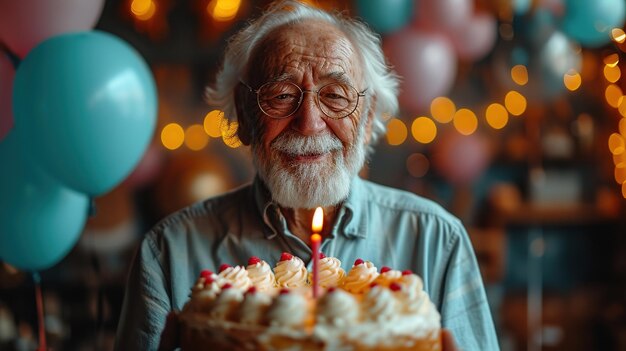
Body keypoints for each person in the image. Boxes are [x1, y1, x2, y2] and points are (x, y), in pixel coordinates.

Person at [114, 1, 499, 350]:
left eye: (335, 96)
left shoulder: (435, 241)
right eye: (281, 95)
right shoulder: (169, 253)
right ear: (245, 116)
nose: (310, 122)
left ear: (367, 120)